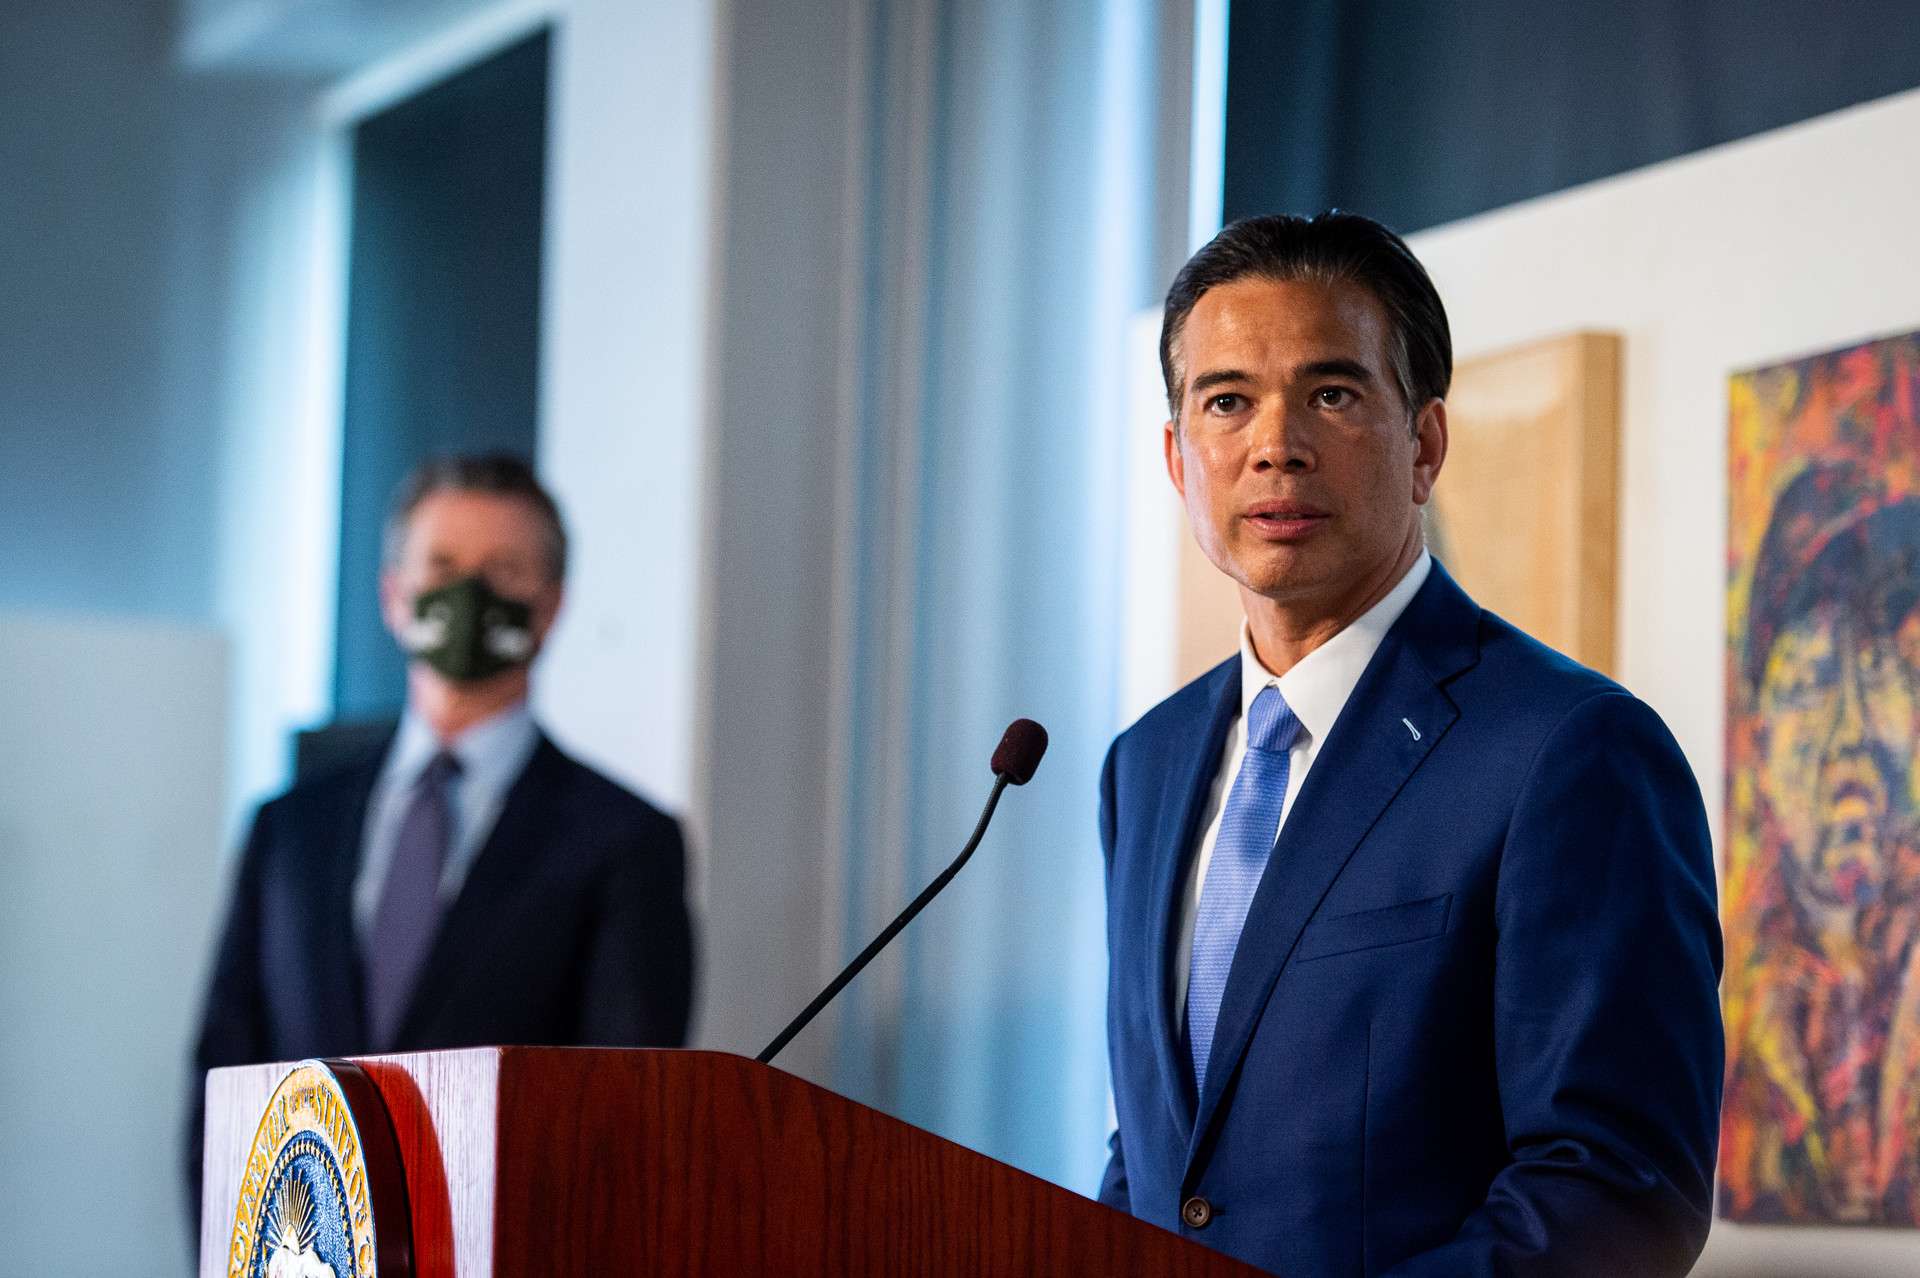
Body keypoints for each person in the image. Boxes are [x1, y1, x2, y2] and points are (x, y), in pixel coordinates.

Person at [1097, 213, 1723, 1276]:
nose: (1275, 443)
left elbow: (1617, 1190)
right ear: (1176, 456)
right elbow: (1162, 1154)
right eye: (1227, 401)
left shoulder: (1570, 750)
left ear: (1425, 442)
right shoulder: (1145, 765)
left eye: (1331, 394)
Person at [186, 455, 694, 1210]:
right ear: (394, 596)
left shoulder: (623, 842)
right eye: (445, 563)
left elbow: (623, 1122)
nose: (470, 592)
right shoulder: (288, 831)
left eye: (505, 568)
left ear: (550, 607)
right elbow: (221, 1083)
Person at [1722, 461, 1920, 1224]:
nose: (1849, 738)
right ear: (1758, 742)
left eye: (1877, 670)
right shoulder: (1736, 1006)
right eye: (1808, 683)